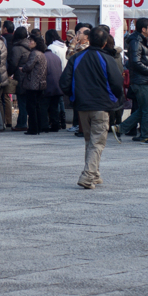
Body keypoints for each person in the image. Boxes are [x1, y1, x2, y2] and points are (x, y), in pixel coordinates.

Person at [59, 26, 123, 189]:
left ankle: (94, 173)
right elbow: (116, 83)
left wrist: (74, 96)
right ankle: (88, 175)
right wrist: (115, 98)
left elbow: (64, 82)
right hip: (101, 105)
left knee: (91, 140)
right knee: (97, 141)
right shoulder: (107, 58)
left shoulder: (77, 58)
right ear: (103, 43)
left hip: (82, 105)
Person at [118, 18, 148, 144]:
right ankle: (144, 134)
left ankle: (122, 128)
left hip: (143, 79)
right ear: (143, 29)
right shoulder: (136, 42)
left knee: (144, 108)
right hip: (140, 80)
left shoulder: (140, 40)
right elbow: (135, 62)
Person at [20, 29, 48, 135]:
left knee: (31, 106)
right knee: (37, 106)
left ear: (35, 43)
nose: (29, 43)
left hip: (33, 83)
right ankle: (39, 127)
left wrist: (22, 68)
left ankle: (33, 128)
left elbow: (28, 67)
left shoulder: (34, 54)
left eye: (31, 41)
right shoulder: (42, 53)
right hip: (41, 83)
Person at [7, 27, 31, 131]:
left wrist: (9, 73)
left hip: (20, 76)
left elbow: (13, 63)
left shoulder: (17, 48)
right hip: (29, 76)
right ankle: (24, 122)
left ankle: (22, 123)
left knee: (21, 101)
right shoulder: (29, 45)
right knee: (26, 101)